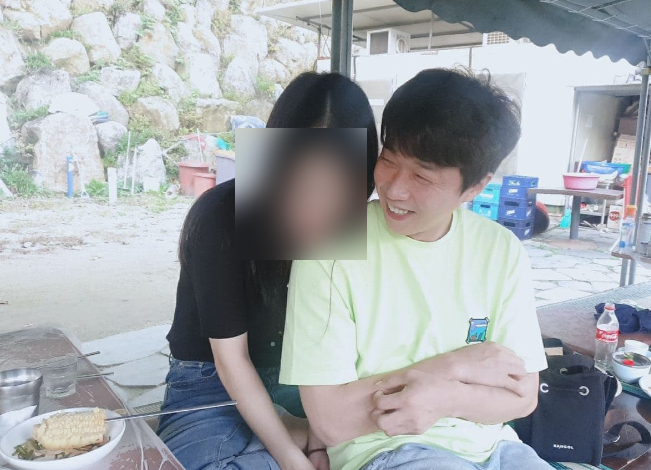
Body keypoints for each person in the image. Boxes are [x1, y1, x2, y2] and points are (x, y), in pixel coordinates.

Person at [280, 68, 550, 470]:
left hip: (499, 450)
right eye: (388, 159)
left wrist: (447, 398)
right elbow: (332, 421)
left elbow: (523, 397)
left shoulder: (501, 249)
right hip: (389, 452)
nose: (394, 188)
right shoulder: (330, 245)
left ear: (476, 186)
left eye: (423, 176)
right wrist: (456, 368)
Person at [157, 71, 378, 470]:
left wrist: (318, 435)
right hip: (213, 382)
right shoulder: (220, 217)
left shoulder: (354, 220)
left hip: (304, 379)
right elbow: (231, 362)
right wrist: (293, 457)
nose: (314, 205)